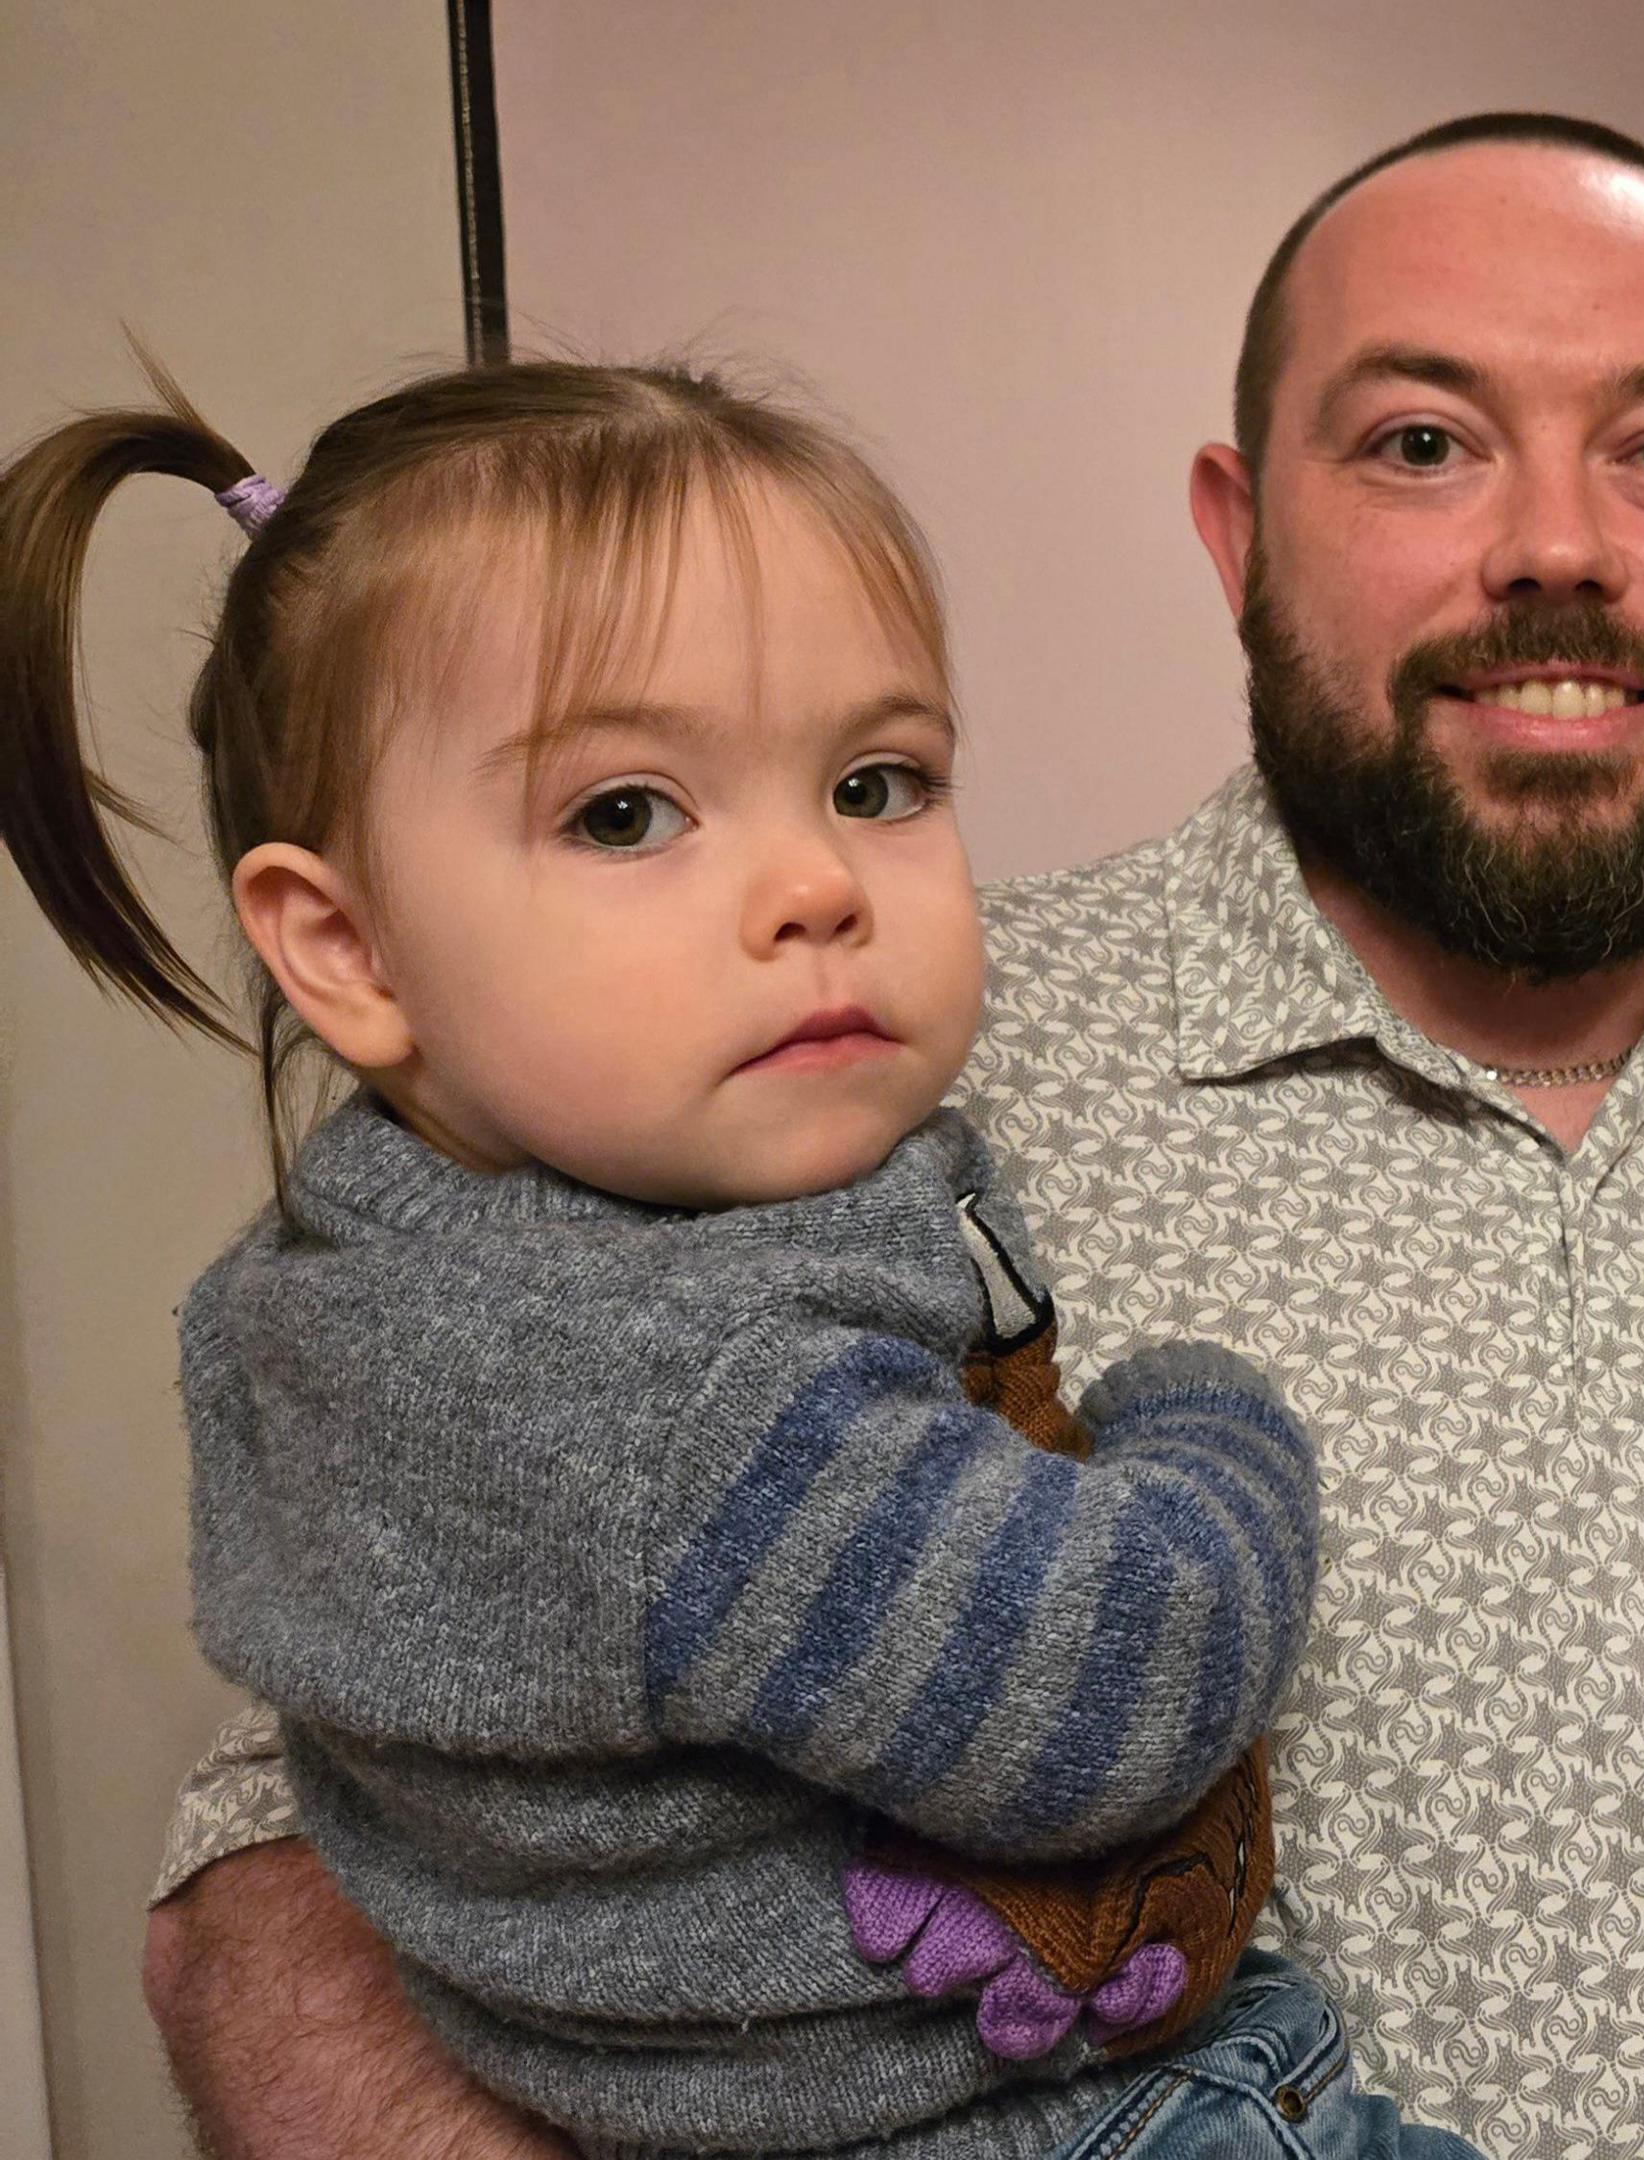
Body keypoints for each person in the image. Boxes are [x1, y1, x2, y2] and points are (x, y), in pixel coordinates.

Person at [134, 117, 1644, 2159]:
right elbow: (311, 1827)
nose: (1560, 548)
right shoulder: (864, 1082)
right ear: (1236, 529)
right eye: (1421, 442)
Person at [0, 361, 1479, 2158]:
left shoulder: (354, 1264)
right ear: (349, 948)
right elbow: (1107, 1680)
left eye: (878, 780)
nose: (815, 885)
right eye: (626, 811)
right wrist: (1210, 1417)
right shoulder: (664, 1394)